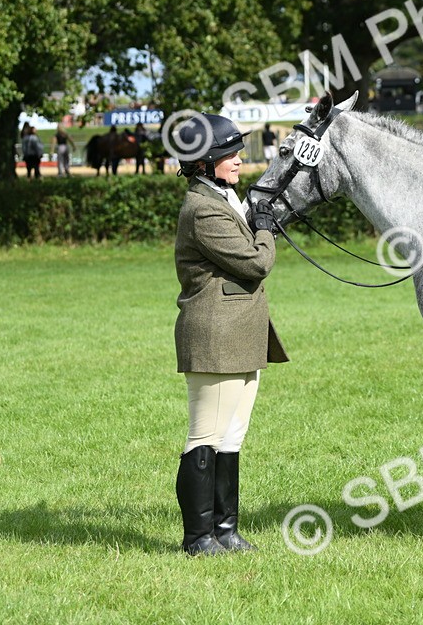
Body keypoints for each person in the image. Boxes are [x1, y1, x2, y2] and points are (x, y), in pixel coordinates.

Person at [171, 113, 288, 556]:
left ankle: (225, 530)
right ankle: (198, 538)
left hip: (240, 332)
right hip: (215, 335)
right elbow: (255, 263)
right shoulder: (202, 209)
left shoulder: (224, 198)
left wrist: (257, 221)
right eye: (229, 153)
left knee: (231, 437)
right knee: (204, 437)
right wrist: (264, 228)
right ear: (204, 162)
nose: (238, 159)